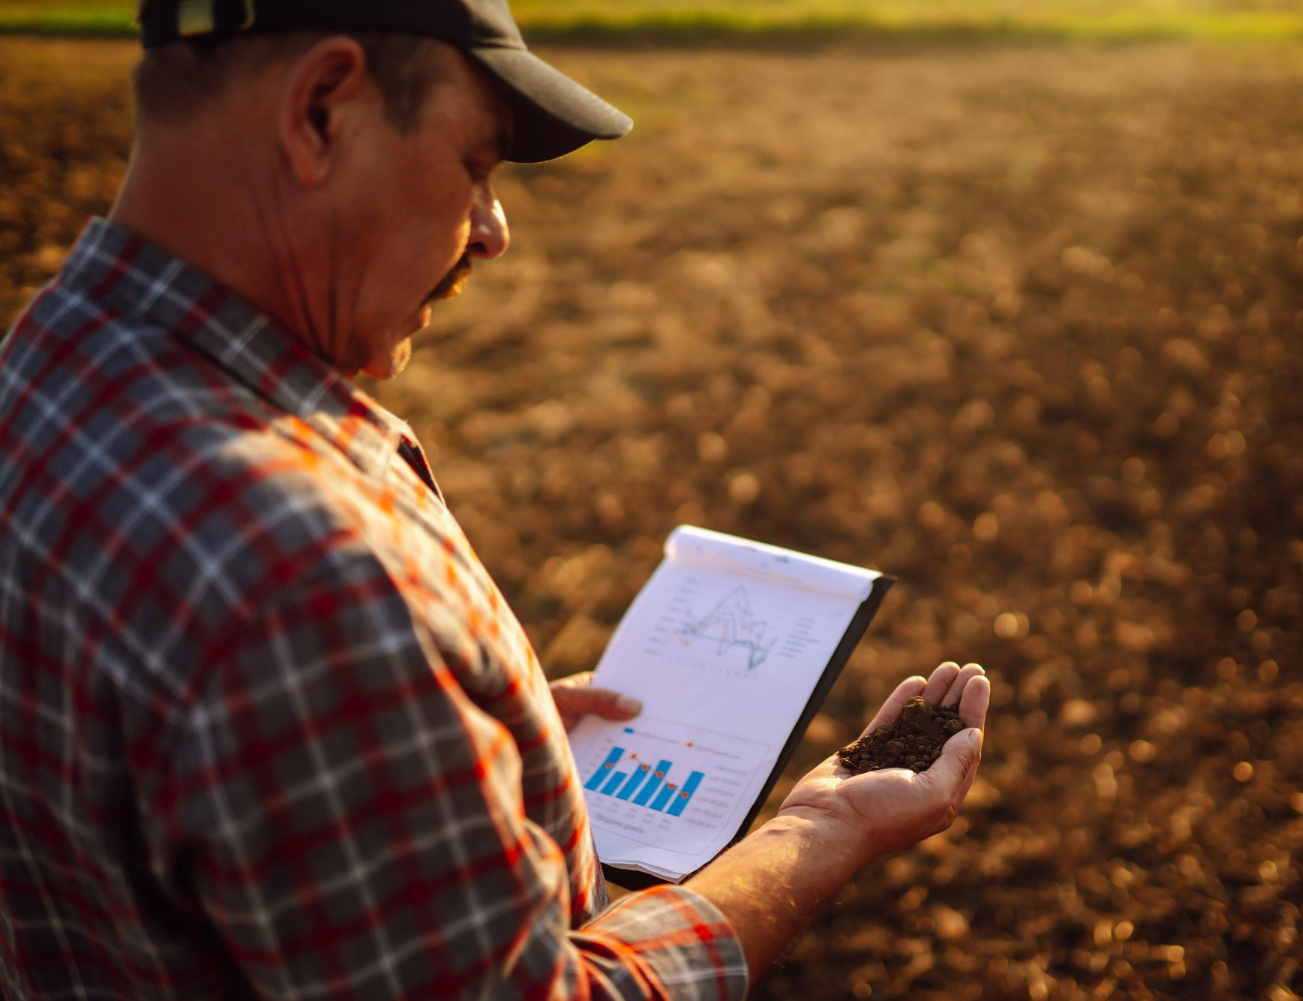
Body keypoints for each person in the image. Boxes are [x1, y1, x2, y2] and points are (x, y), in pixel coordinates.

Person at [0, 0, 992, 996]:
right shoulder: (298, 575)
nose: (493, 229)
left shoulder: (42, 376)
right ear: (320, 112)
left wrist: (434, 749)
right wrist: (823, 830)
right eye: (475, 165)